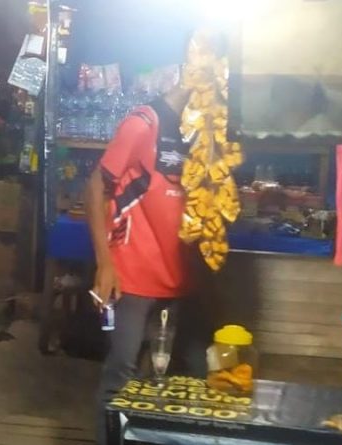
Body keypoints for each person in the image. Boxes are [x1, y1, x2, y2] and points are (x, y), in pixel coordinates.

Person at [85, 66, 211, 445]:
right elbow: (95, 187)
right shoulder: (143, 124)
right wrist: (104, 264)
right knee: (121, 376)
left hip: (180, 279)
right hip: (132, 277)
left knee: (186, 376)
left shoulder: (202, 131)